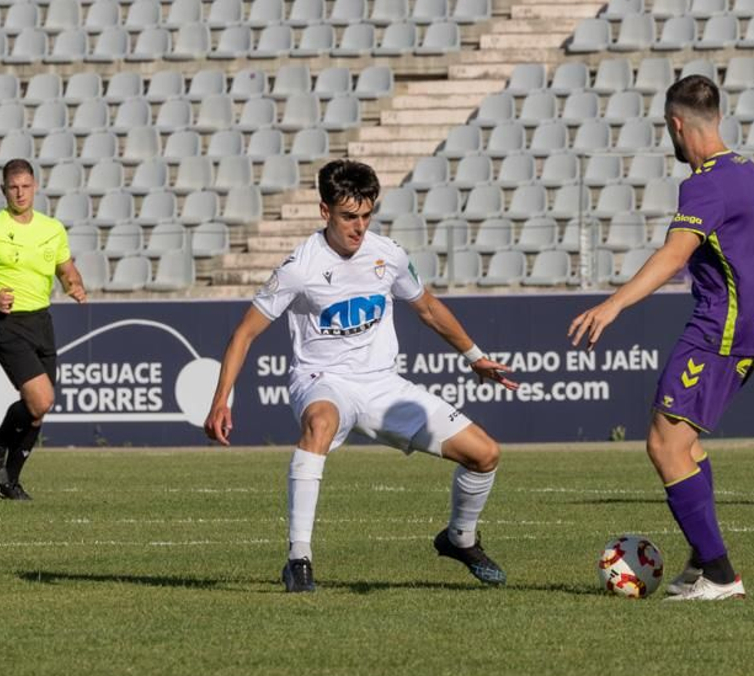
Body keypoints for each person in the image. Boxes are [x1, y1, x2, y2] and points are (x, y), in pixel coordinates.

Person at [567, 75, 754, 602]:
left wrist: (613, 303)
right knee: (686, 444)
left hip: (720, 331)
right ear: (716, 118)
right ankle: (703, 563)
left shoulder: (704, 184)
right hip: (753, 330)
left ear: (676, 125)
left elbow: (675, 254)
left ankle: (721, 575)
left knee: (663, 444)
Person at [203, 159, 518, 593]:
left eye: (367, 215)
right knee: (320, 423)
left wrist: (474, 356)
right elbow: (244, 333)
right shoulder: (300, 266)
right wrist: (223, 399)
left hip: (383, 384)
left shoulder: (388, 255)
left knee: (485, 455)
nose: (359, 227)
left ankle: (459, 539)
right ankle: (299, 559)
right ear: (324, 211)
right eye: (349, 217)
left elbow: (426, 308)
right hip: (322, 379)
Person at [0, 158, 86, 501]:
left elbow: (66, 269)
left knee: (38, 413)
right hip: (9, 326)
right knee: (42, 399)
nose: (20, 193)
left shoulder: (52, 229)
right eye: (14, 187)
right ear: (4, 190)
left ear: (35, 186)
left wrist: (74, 284)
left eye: (26, 186)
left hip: (42, 323)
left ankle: (8, 484)